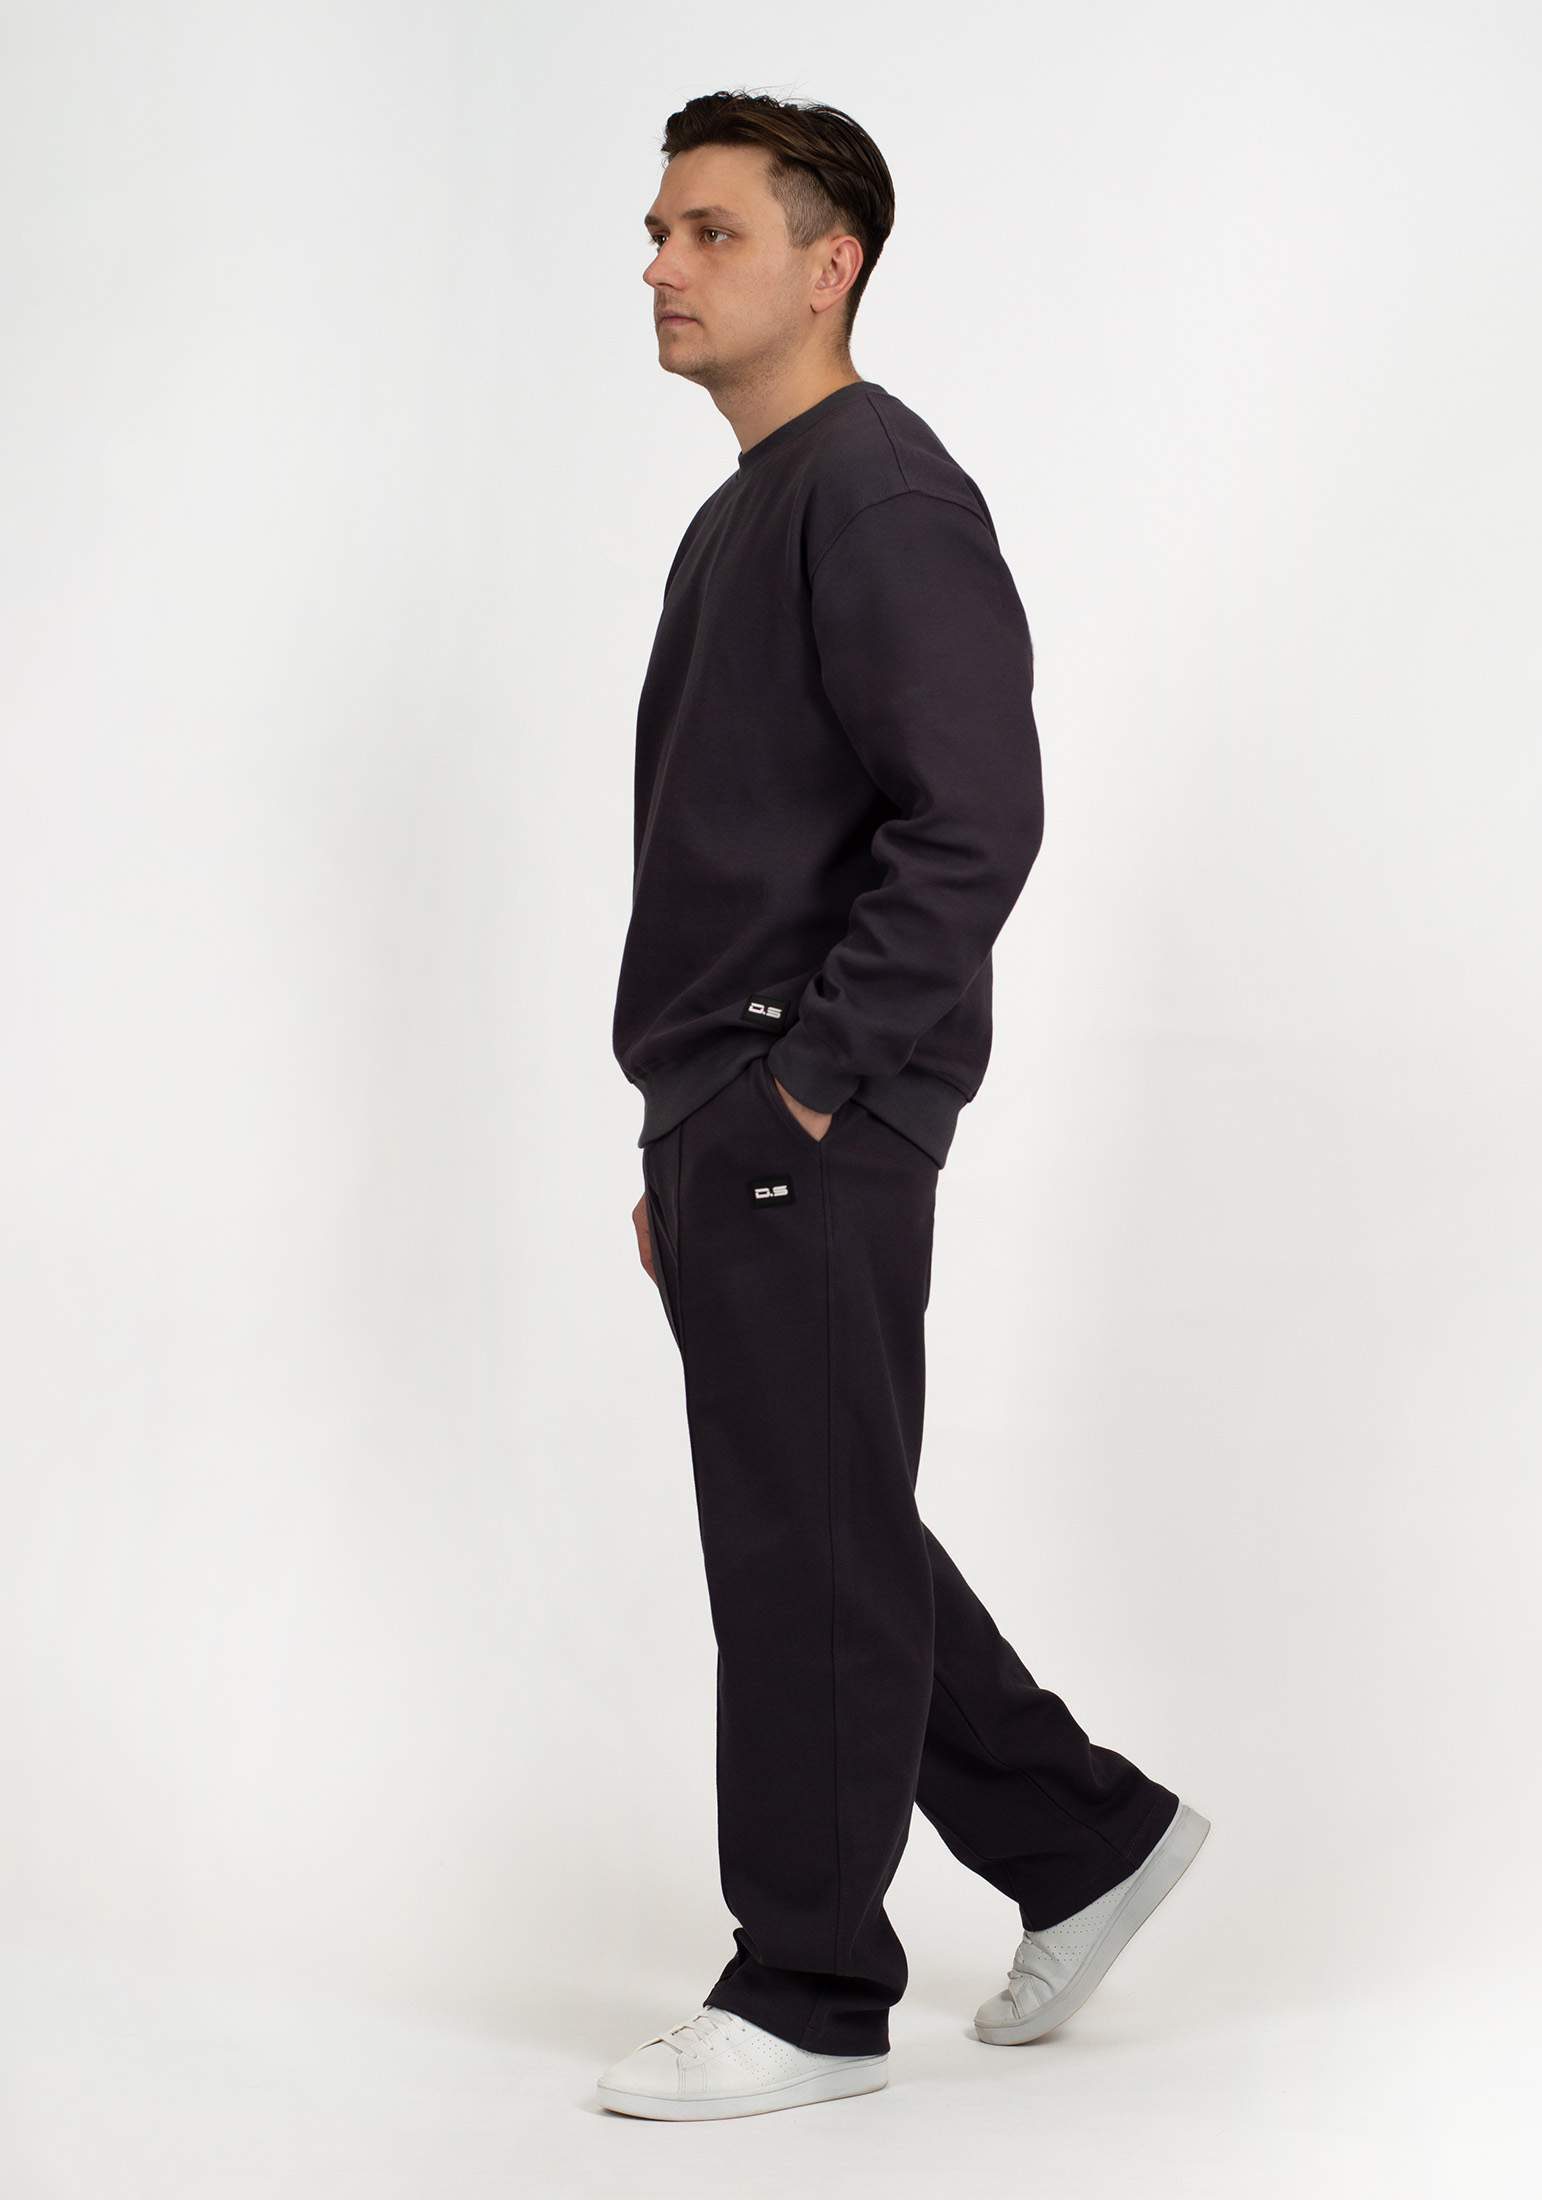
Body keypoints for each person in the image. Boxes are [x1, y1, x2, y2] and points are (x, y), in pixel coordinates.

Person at [599, 90, 1207, 2123]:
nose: (662, 265)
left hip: (808, 1100)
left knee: (801, 1544)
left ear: (826, 261)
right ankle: (1084, 1836)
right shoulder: (753, 504)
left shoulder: (873, 490)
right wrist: (693, 1123)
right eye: (658, 231)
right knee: (832, 1513)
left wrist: (803, 1085)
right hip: (735, 1104)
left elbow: (974, 820)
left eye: (709, 231)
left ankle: (809, 1991)